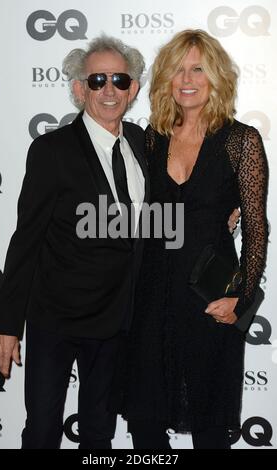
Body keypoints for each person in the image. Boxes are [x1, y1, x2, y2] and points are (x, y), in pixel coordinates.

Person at [0, 34, 147, 449]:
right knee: (41, 432)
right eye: (97, 80)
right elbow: (27, 240)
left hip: (117, 321)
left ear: (134, 88)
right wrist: (6, 325)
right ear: (79, 89)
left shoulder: (143, 144)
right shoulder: (51, 150)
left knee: (99, 434)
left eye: (119, 79)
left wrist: (223, 213)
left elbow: (174, 205)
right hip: (55, 319)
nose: (109, 90)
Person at [121, 29, 268, 449]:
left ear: (216, 76)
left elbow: (257, 226)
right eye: (178, 69)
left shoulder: (242, 140)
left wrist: (241, 295)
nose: (187, 78)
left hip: (210, 300)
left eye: (198, 69)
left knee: (209, 425)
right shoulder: (151, 137)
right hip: (151, 299)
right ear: (166, 78)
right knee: (145, 426)